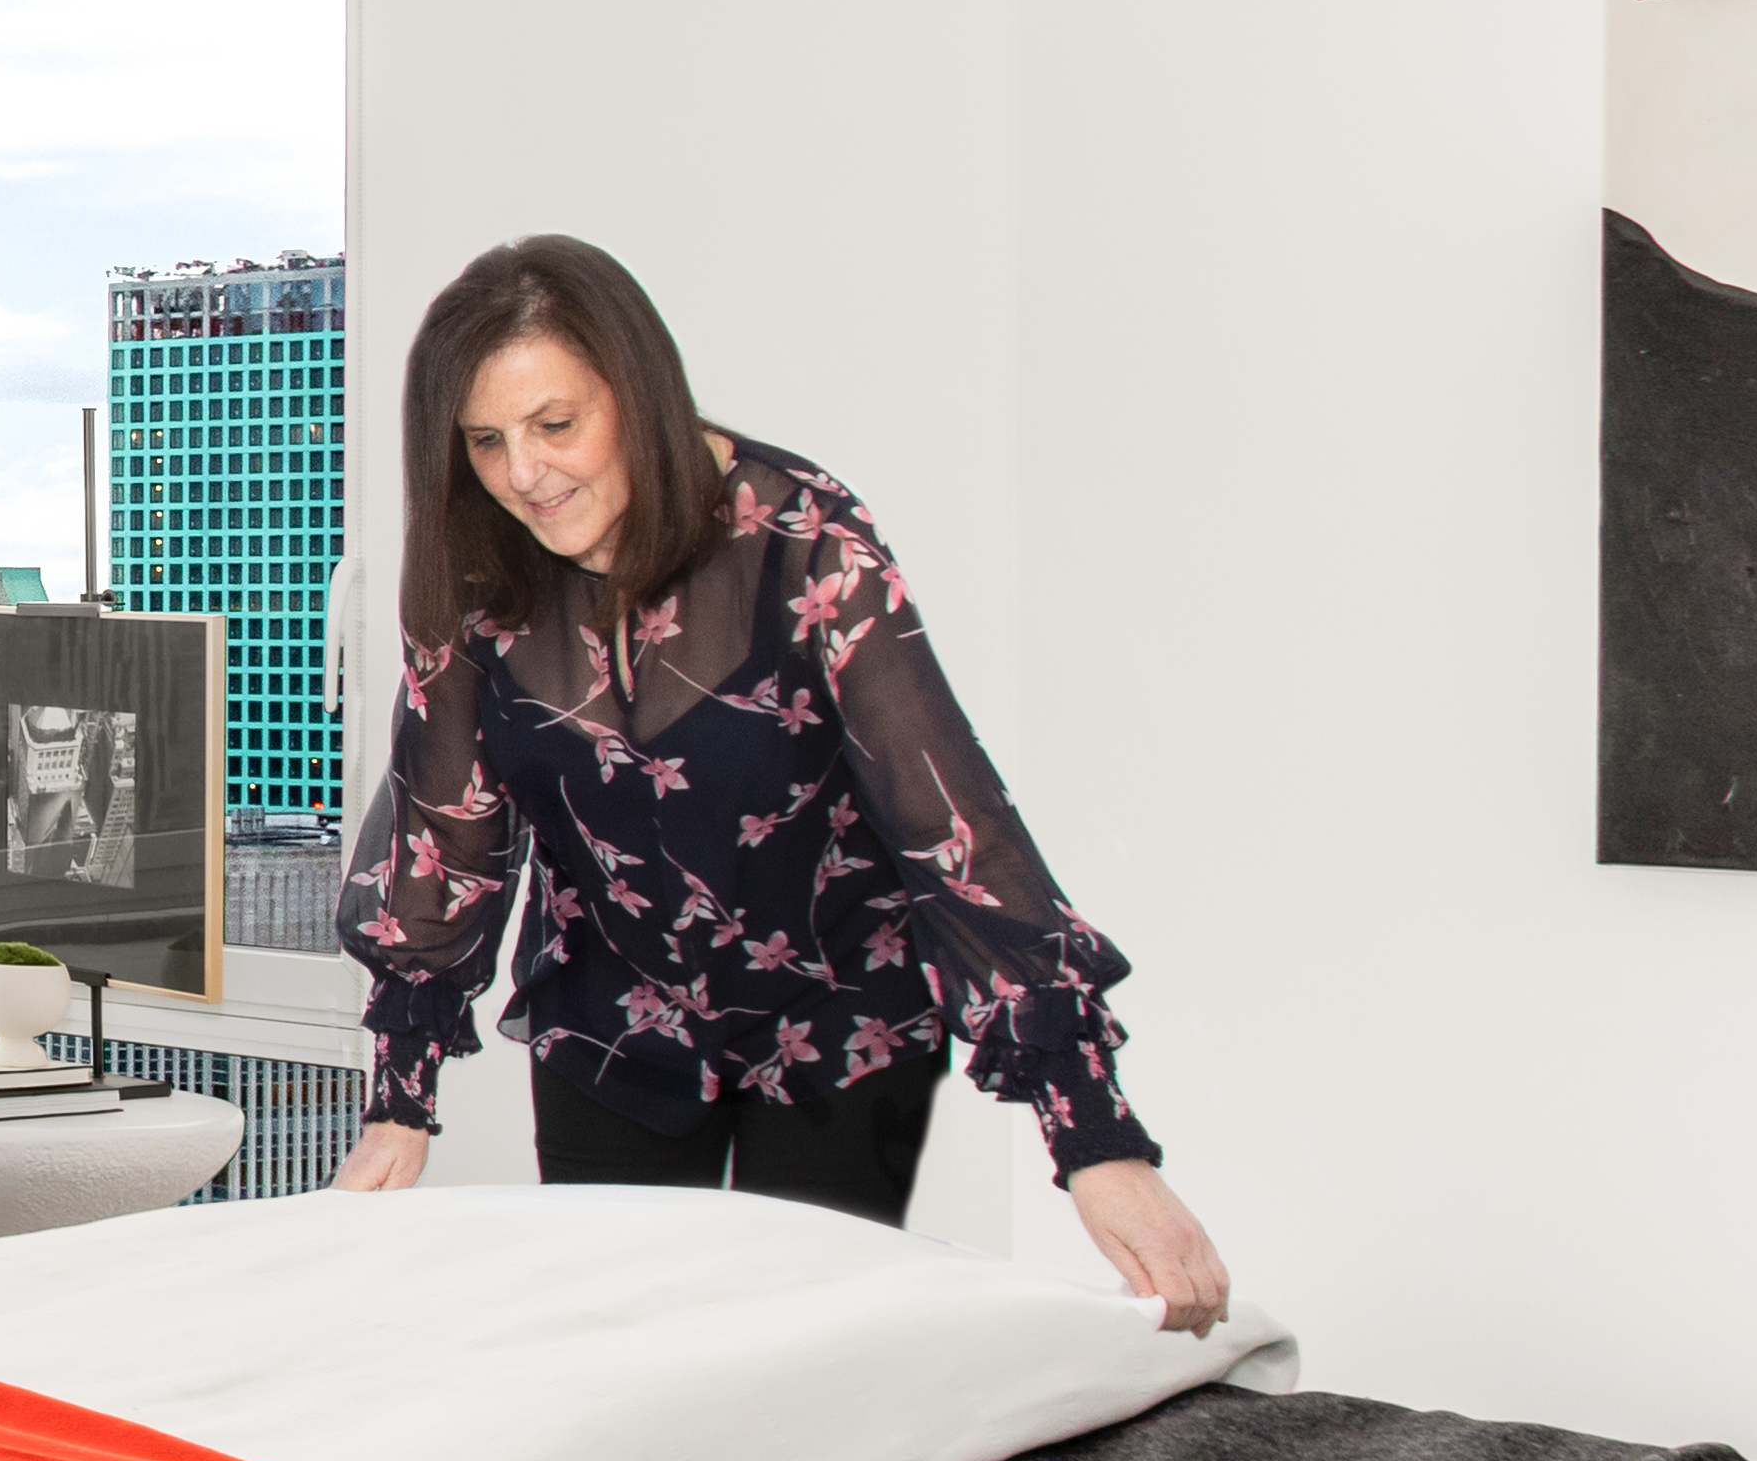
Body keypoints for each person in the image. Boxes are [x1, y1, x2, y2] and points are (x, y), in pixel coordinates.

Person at [327, 236, 1232, 1331]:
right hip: (610, 1022)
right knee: (619, 1348)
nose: (524, 473)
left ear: (637, 396)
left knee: (807, 1359)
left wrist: (1095, 1139)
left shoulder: (808, 542)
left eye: (555, 424)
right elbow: (445, 832)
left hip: (839, 1022)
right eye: (487, 440)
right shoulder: (476, 572)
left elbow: (949, 827)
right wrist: (400, 1103)